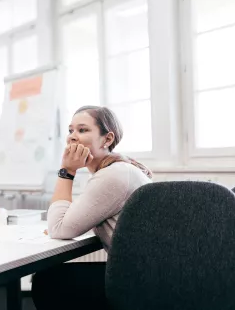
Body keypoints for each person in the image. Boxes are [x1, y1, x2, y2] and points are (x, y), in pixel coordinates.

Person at [31, 105, 153, 310]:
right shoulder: (120, 169)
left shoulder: (113, 175)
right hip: (152, 272)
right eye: (70, 130)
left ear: (107, 139)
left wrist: (67, 171)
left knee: (47, 281)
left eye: (82, 130)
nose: (72, 137)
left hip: (140, 279)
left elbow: (59, 229)